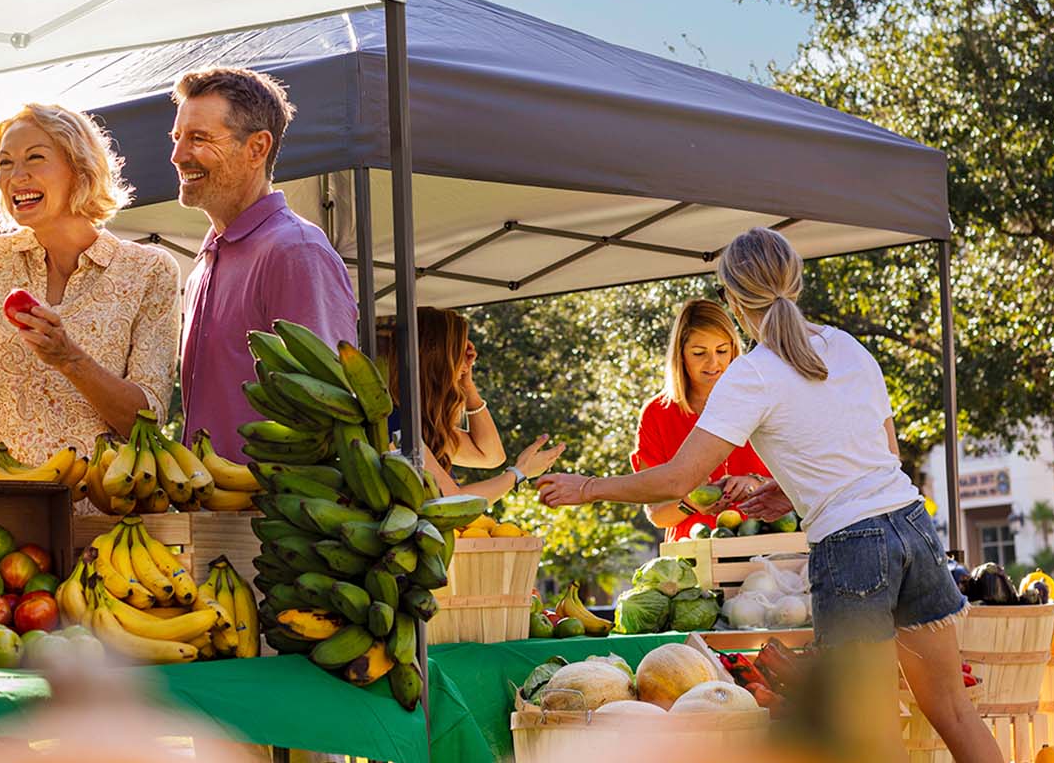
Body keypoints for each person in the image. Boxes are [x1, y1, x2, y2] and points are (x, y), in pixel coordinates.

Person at [536, 227, 998, 763]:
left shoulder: (751, 375)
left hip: (852, 547)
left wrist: (587, 487)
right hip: (913, 526)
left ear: (733, 300)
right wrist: (788, 489)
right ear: (795, 283)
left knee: (868, 733)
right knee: (953, 709)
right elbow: (882, 453)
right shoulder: (845, 345)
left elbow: (675, 481)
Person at [0, 103, 179, 479]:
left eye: (35, 158)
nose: (17, 176)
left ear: (80, 169)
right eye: (4, 163)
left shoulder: (148, 271)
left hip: (96, 522)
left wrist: (70, 359)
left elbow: (145, 424)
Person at [172, 67, 357, 460]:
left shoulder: (295, 251)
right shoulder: (206, 260)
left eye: (199, 139)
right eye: (177, 138)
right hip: (210, 509)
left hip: (275, 514)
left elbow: (327, 412)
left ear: (257, 148)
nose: (177, 155)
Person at [631, 298, 787, 539]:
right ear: (680, 355)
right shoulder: (656, 414)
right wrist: (690, 503)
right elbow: (656, 513)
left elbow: (800, 485)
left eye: (722, 351)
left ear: (734, 350)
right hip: (692, 559)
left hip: (765, 551)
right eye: (699, 353)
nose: (713, 363)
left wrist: (755, 483)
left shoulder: (762, 399)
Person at [380, 308, 563, 503]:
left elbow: (491, 456)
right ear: (439, 359)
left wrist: (468, 387)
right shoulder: (398, 425)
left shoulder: (424, 425)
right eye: (459, 356)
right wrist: (520, 473)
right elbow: (451, 500)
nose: (467, 366)